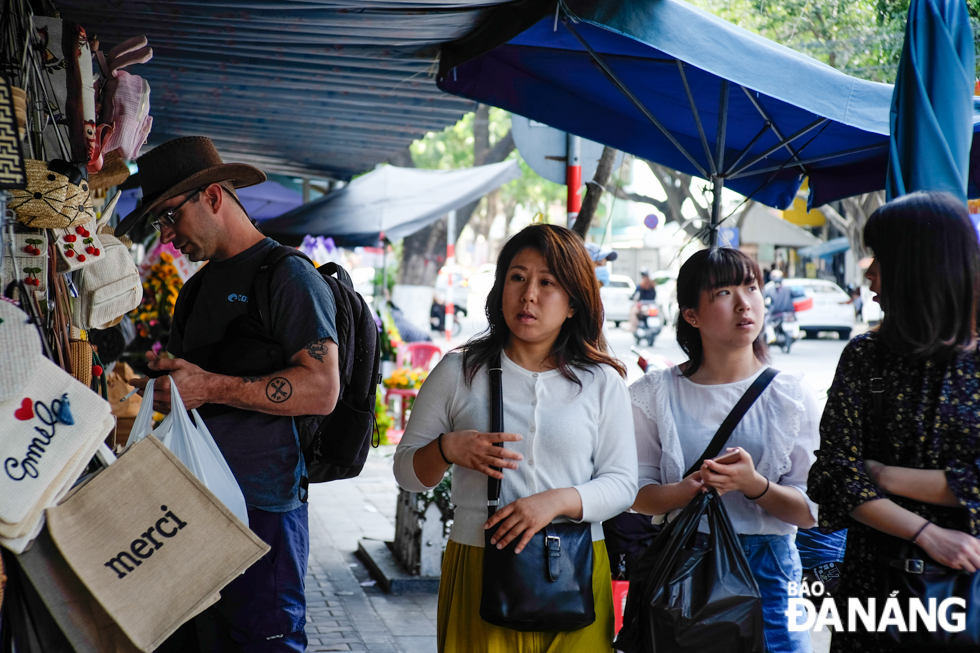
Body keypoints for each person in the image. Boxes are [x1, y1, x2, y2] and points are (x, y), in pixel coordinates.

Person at [121, 136, 340, 652]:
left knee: (264, 642)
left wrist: (207, 387)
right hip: (193, 508)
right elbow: (191, 387)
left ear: (214, 197)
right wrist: (166, 388)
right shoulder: (196, 288)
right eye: (159, 224)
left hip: (263, 509)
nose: (167, 235)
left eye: (170, 217)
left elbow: (322, 388)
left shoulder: (286, 276)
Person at [393, 224, 638, 652]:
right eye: (518, 277)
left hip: (576, 566)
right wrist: (447, 448)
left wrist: (557, 501)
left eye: (548, 283)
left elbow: (622, 485)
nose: (529, 295)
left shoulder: (601, 381)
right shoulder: (458, 372)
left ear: (573, 303)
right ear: (500, 288)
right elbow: (407, 473)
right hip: (480, 563)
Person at [808, 191, 980, 653]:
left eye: (879, 259)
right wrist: (928, 532)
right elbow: (832, 477)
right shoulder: (865, 356)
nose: (868, 275)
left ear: (919, 268)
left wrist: (884, 475)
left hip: (968, 595)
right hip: (873, 590)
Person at [630, 247, 819, 653]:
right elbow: (635, 493)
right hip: (686, 567)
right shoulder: (656, 394)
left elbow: (811, 511)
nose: (744, 303)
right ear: (691, 315)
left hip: (769, 570)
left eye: (751, 287)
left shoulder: (791, 395)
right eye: (723, 293)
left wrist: (755, 486)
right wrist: (689, 488)